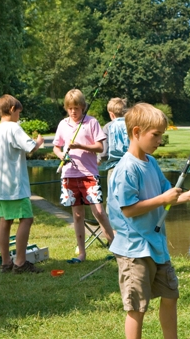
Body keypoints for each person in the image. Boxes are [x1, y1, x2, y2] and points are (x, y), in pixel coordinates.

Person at [107, 103, 190, 339]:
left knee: (171, 295)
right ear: (137, 132)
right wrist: (163, 198)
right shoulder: (126, 169)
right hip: (134, 249)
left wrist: (188, 195)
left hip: (156, 245)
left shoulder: (150, 162)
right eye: (156, 135)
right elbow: (129, 210)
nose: (160, 140)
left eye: (162, 135)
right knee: (136, 308)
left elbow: (167, 195)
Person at [53, 89, 114, 263]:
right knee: (77, 215)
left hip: (89, 174)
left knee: (99, 212)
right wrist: (60, 156)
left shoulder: (91, 122)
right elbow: (56, 147)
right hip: (69, 174)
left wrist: (80, 145)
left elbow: (100, 147)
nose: (73, 112)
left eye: (77, 108)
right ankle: (81, 253)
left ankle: (116, 249)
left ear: (83, 107)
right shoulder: (63, 124)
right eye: (70, 108)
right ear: (66, 108)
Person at [0, 94, 44, 274]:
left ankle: (6, 262)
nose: (18, 117)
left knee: (5, 220)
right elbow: (30, 148)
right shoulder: (13, 127)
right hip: (14, 186)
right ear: (12, 109)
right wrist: (39, 142)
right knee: (26, 219)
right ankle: (20, 263)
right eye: (18, 113)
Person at [99, 97, 130, 172]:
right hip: (131, 165)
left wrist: (98, 160)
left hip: (114, 168)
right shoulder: (131, 125)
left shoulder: (107, 127)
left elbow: (104, 154)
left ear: (111, 114)